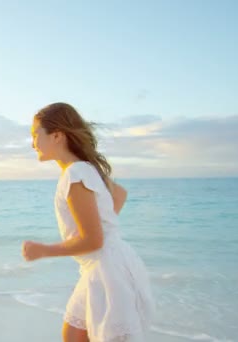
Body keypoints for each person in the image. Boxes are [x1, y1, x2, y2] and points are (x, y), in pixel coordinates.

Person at [22, 103, 154, 342]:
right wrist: (102, 223)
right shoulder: (86, 169)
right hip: (104, 265)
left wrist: (44, 250)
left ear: (57, 136)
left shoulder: (75, 174)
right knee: (73, 335)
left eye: (35, 135)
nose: (32, 143)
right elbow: (119, 193)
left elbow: (93, 240)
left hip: (107, 270)